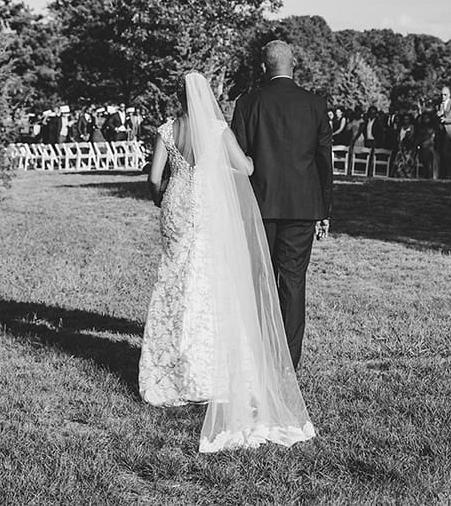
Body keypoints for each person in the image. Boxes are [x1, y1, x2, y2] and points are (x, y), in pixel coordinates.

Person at [142, 70, 317, 453]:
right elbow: (247, 168)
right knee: (208, 284)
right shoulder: (219, 130)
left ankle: (171, 373)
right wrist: (250, 158)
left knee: (175, 283)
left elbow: (155, 179)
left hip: (175, 209)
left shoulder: (167, 130)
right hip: (205, 210)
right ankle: (207, 372)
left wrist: (162, 199)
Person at [231, 40, 333, 370]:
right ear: (295, 64)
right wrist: (324, 211)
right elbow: (323, 163)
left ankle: (259, 351)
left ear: (264, 67)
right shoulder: (315, 105)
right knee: (293, 281)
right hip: (302, 206)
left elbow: (237, 162)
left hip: (259, 205)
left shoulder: (247, 103)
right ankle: (287, 361)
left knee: (260, 279)